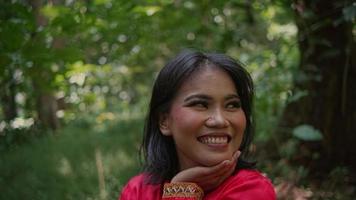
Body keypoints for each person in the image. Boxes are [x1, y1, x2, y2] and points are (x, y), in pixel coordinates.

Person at [119, 50, 276, 200]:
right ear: (164, 122)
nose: (220, 120)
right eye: (200, 104)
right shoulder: (138, 190)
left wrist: (181, 190)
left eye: (232, 105)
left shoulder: (252, 189)